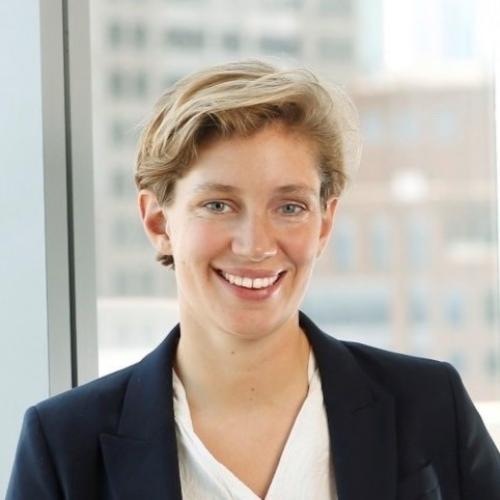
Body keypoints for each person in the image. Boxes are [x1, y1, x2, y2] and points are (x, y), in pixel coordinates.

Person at [7, 60, 500, 500]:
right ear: (158, 222)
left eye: (290, 207)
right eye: (218, 205)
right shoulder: (64, 446)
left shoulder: (430, 406)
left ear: (324, 223)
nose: (256, 245)